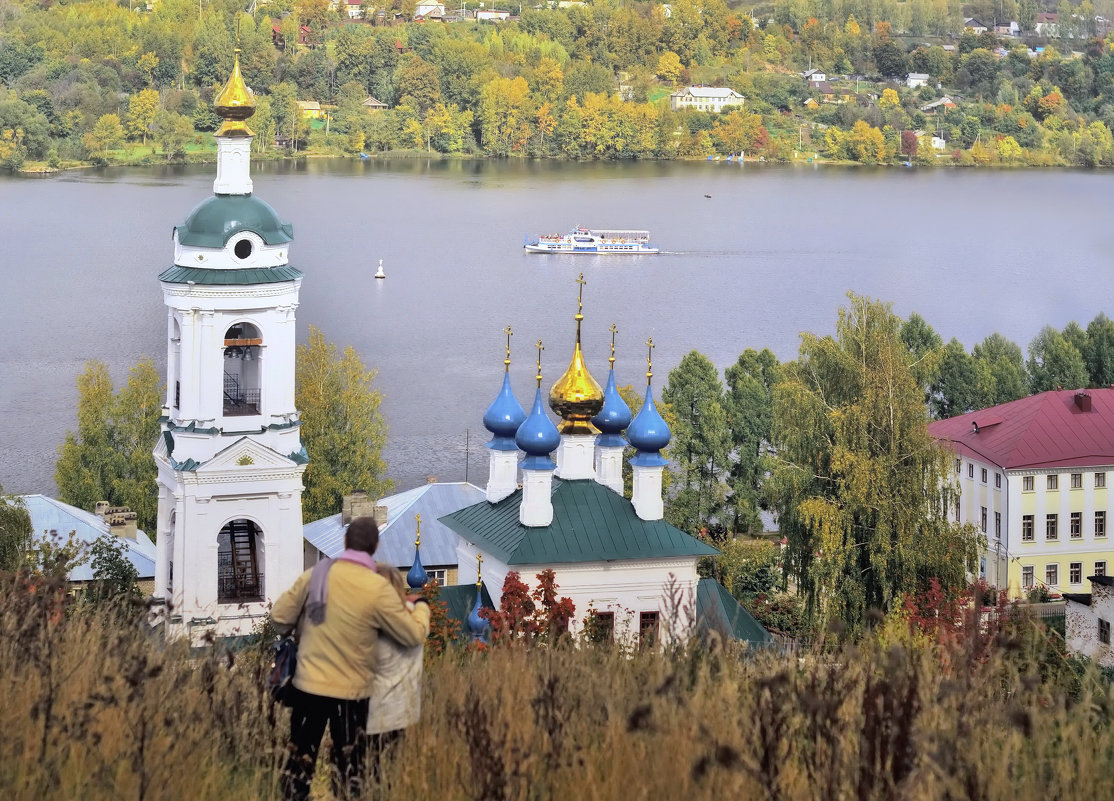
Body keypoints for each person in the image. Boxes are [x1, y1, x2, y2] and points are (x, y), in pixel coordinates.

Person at [271, 516, 430, 801]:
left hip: (308, 686)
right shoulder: (377, 588)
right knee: (349, 774)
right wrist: (421, 608)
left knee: (298, 766)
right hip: (352, 695)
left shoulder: (316, 574)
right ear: (375, 546)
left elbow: (280, 619)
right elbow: (412, 636)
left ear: (345, 543)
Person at [366, 563, 426, 781]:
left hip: (373, 710)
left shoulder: (370, 620)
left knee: (369, 772)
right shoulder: (415, 617)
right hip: (405, 709)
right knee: (397, 770)